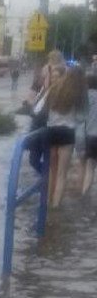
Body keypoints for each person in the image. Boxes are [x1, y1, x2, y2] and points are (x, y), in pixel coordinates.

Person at [45, 66, 87, 208]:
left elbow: (45, 109)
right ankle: (56, 205)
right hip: (67, 132)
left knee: (52, 170)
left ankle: (47, 203)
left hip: (51, 130)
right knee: (62, 173)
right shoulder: (78, 92)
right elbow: (81, 117)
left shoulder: (54, 88)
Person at [79, 74, 97, 196]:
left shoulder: (83, 99)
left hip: (89, 137)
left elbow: (79, 120)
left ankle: (84, 195)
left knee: (89, 168)